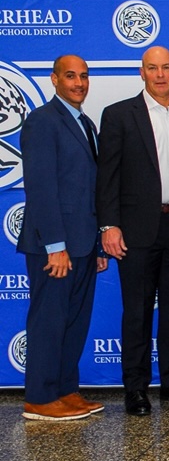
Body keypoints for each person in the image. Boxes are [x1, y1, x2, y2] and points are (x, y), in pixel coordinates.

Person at [96, 46, 169, 417]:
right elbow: (106, 176)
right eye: (152, 68)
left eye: (166, 68)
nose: (160, 74)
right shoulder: (118, 115)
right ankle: (136, 388)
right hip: (138, 229)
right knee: (137, 312)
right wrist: (108, 225)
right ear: (142, 72)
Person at [18, 55, 109, 421]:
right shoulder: (42, 122)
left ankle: (65, 391)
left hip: (84, 243)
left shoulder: (86, 123)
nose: (79, 83)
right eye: (70, 76)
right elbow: (41, 188)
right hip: (54, 246)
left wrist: (98, 242)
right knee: (49, 320)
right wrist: (55, 246)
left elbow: (90, 188)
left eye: (84, 76)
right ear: (54, 79)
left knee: (73, 321)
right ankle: (39, 398)